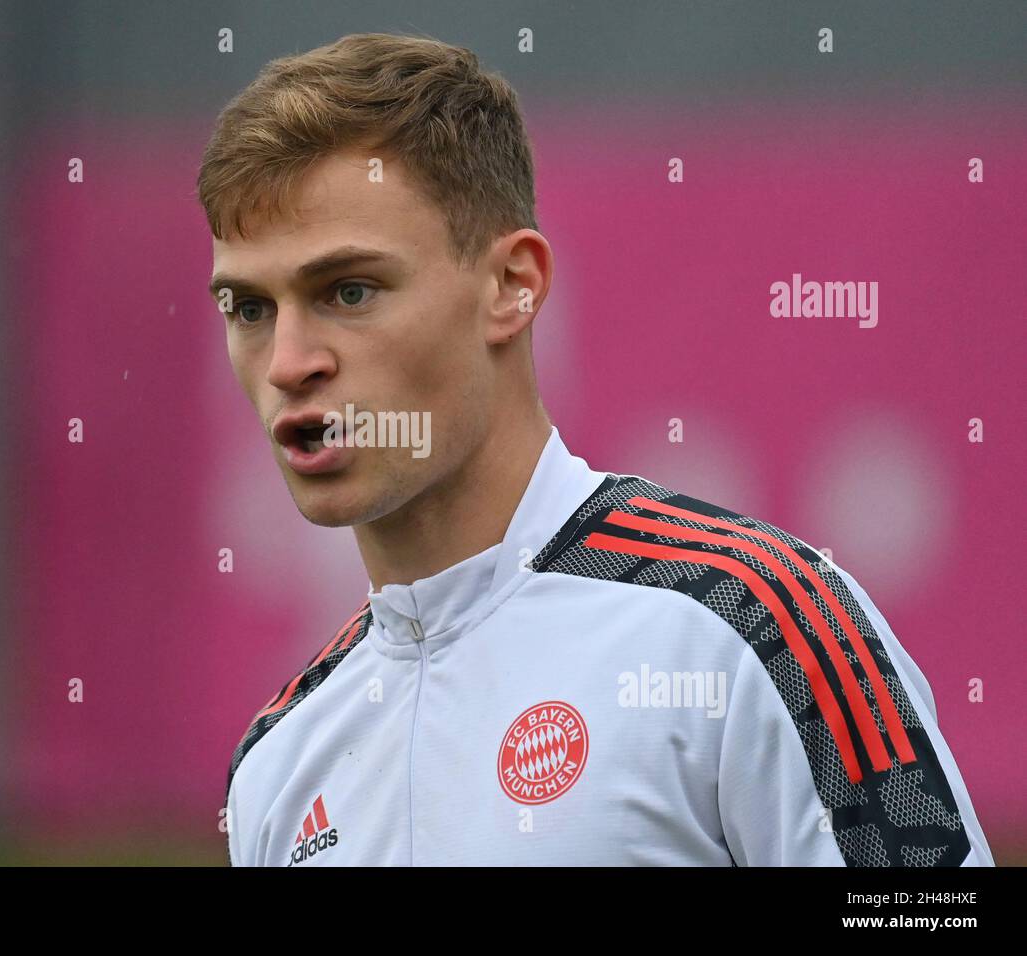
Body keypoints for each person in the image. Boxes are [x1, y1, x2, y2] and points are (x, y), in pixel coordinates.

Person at [197, 32, 994, 866]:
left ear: (514, 287)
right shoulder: (279, 763)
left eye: (348, 290)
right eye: (249, 309)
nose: (289, 362)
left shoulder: (755, 625)